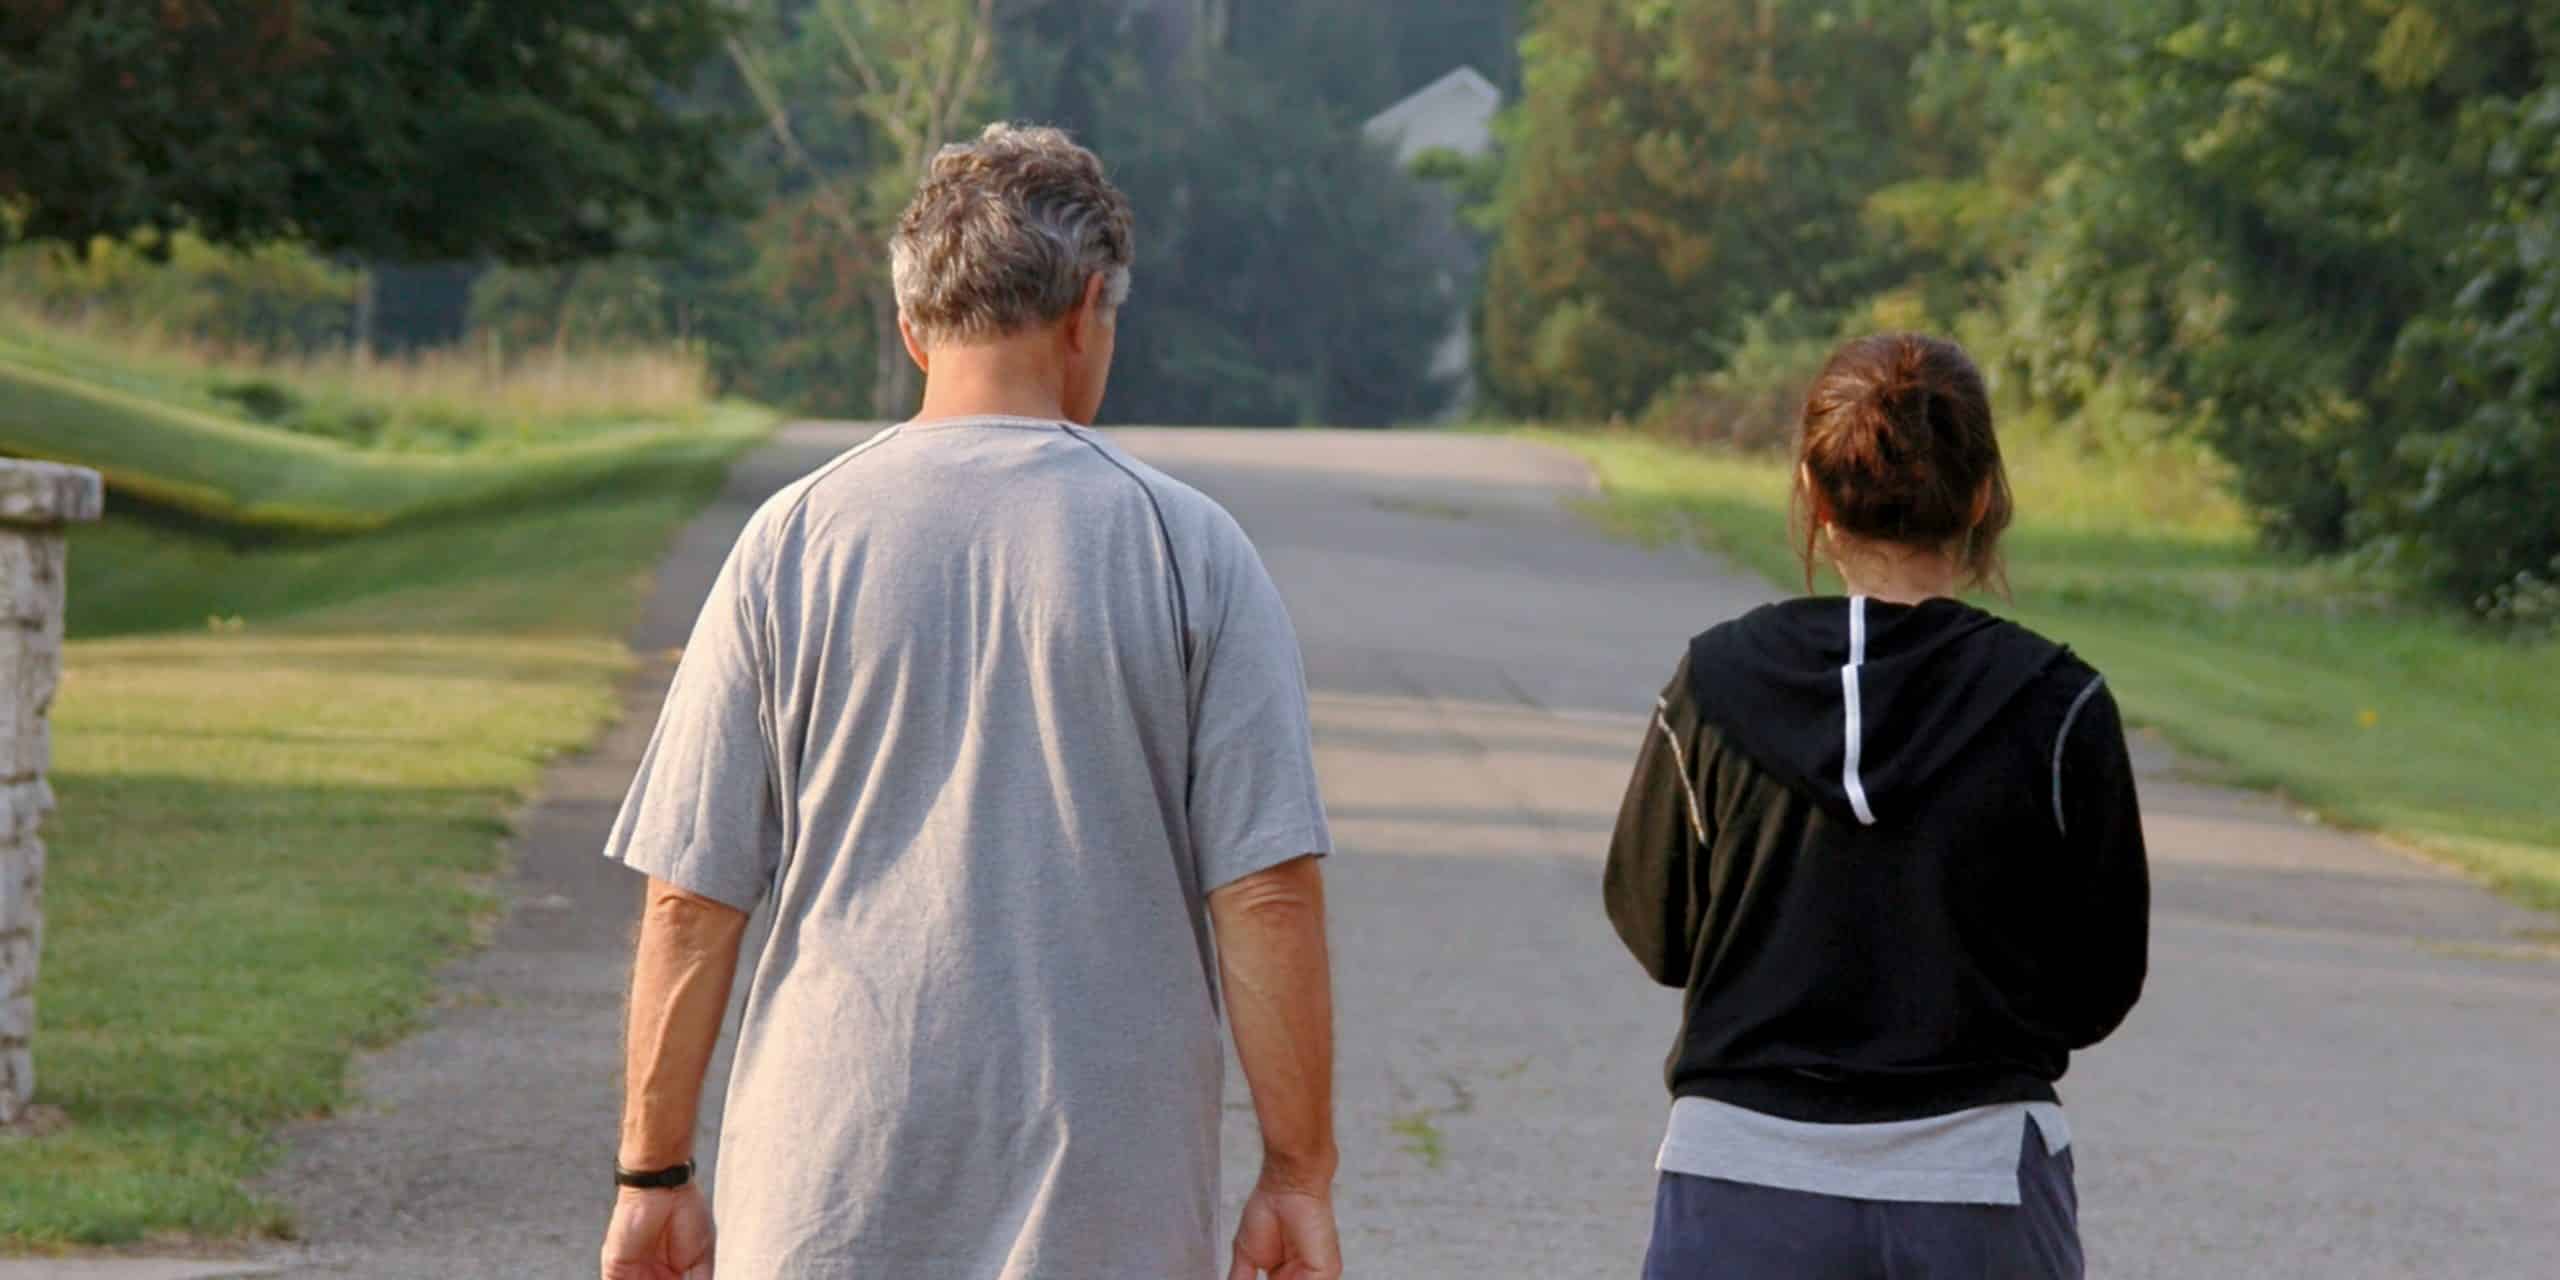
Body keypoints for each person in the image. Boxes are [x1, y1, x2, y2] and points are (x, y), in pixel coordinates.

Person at [596, 123, 1342, 1280]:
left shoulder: (788, 543)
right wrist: (1296, 1174)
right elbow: (1268, 893)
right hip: (1104, 1195)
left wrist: (653, 1172)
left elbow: (691, 899)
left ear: (912, 327)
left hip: (823, 1187)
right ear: (1089, 309)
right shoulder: (1189, 548)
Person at [1604, 333, 2150, 1279]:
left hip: (1738, 1185)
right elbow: (2098, 984)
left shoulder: (1713, 685)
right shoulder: (2060, 706)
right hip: (1975, 1188)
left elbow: (1657, 928)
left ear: (1814, 498)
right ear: (1983, 498)